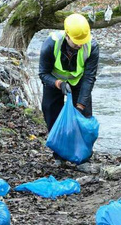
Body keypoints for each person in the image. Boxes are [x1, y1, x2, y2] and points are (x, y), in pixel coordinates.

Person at [39, 13, 99, 163]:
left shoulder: (92, 47)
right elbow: (43, 73)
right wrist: (59, 84)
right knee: (52, 114)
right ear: (67, 35)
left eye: (82, 41)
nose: (79, 44)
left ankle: (83, 158)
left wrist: (79, 106)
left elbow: (89, 78)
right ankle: (59, 155)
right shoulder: (50, 44)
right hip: (54, 81)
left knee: (83, 119)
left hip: (78, 83)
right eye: (76, 41)